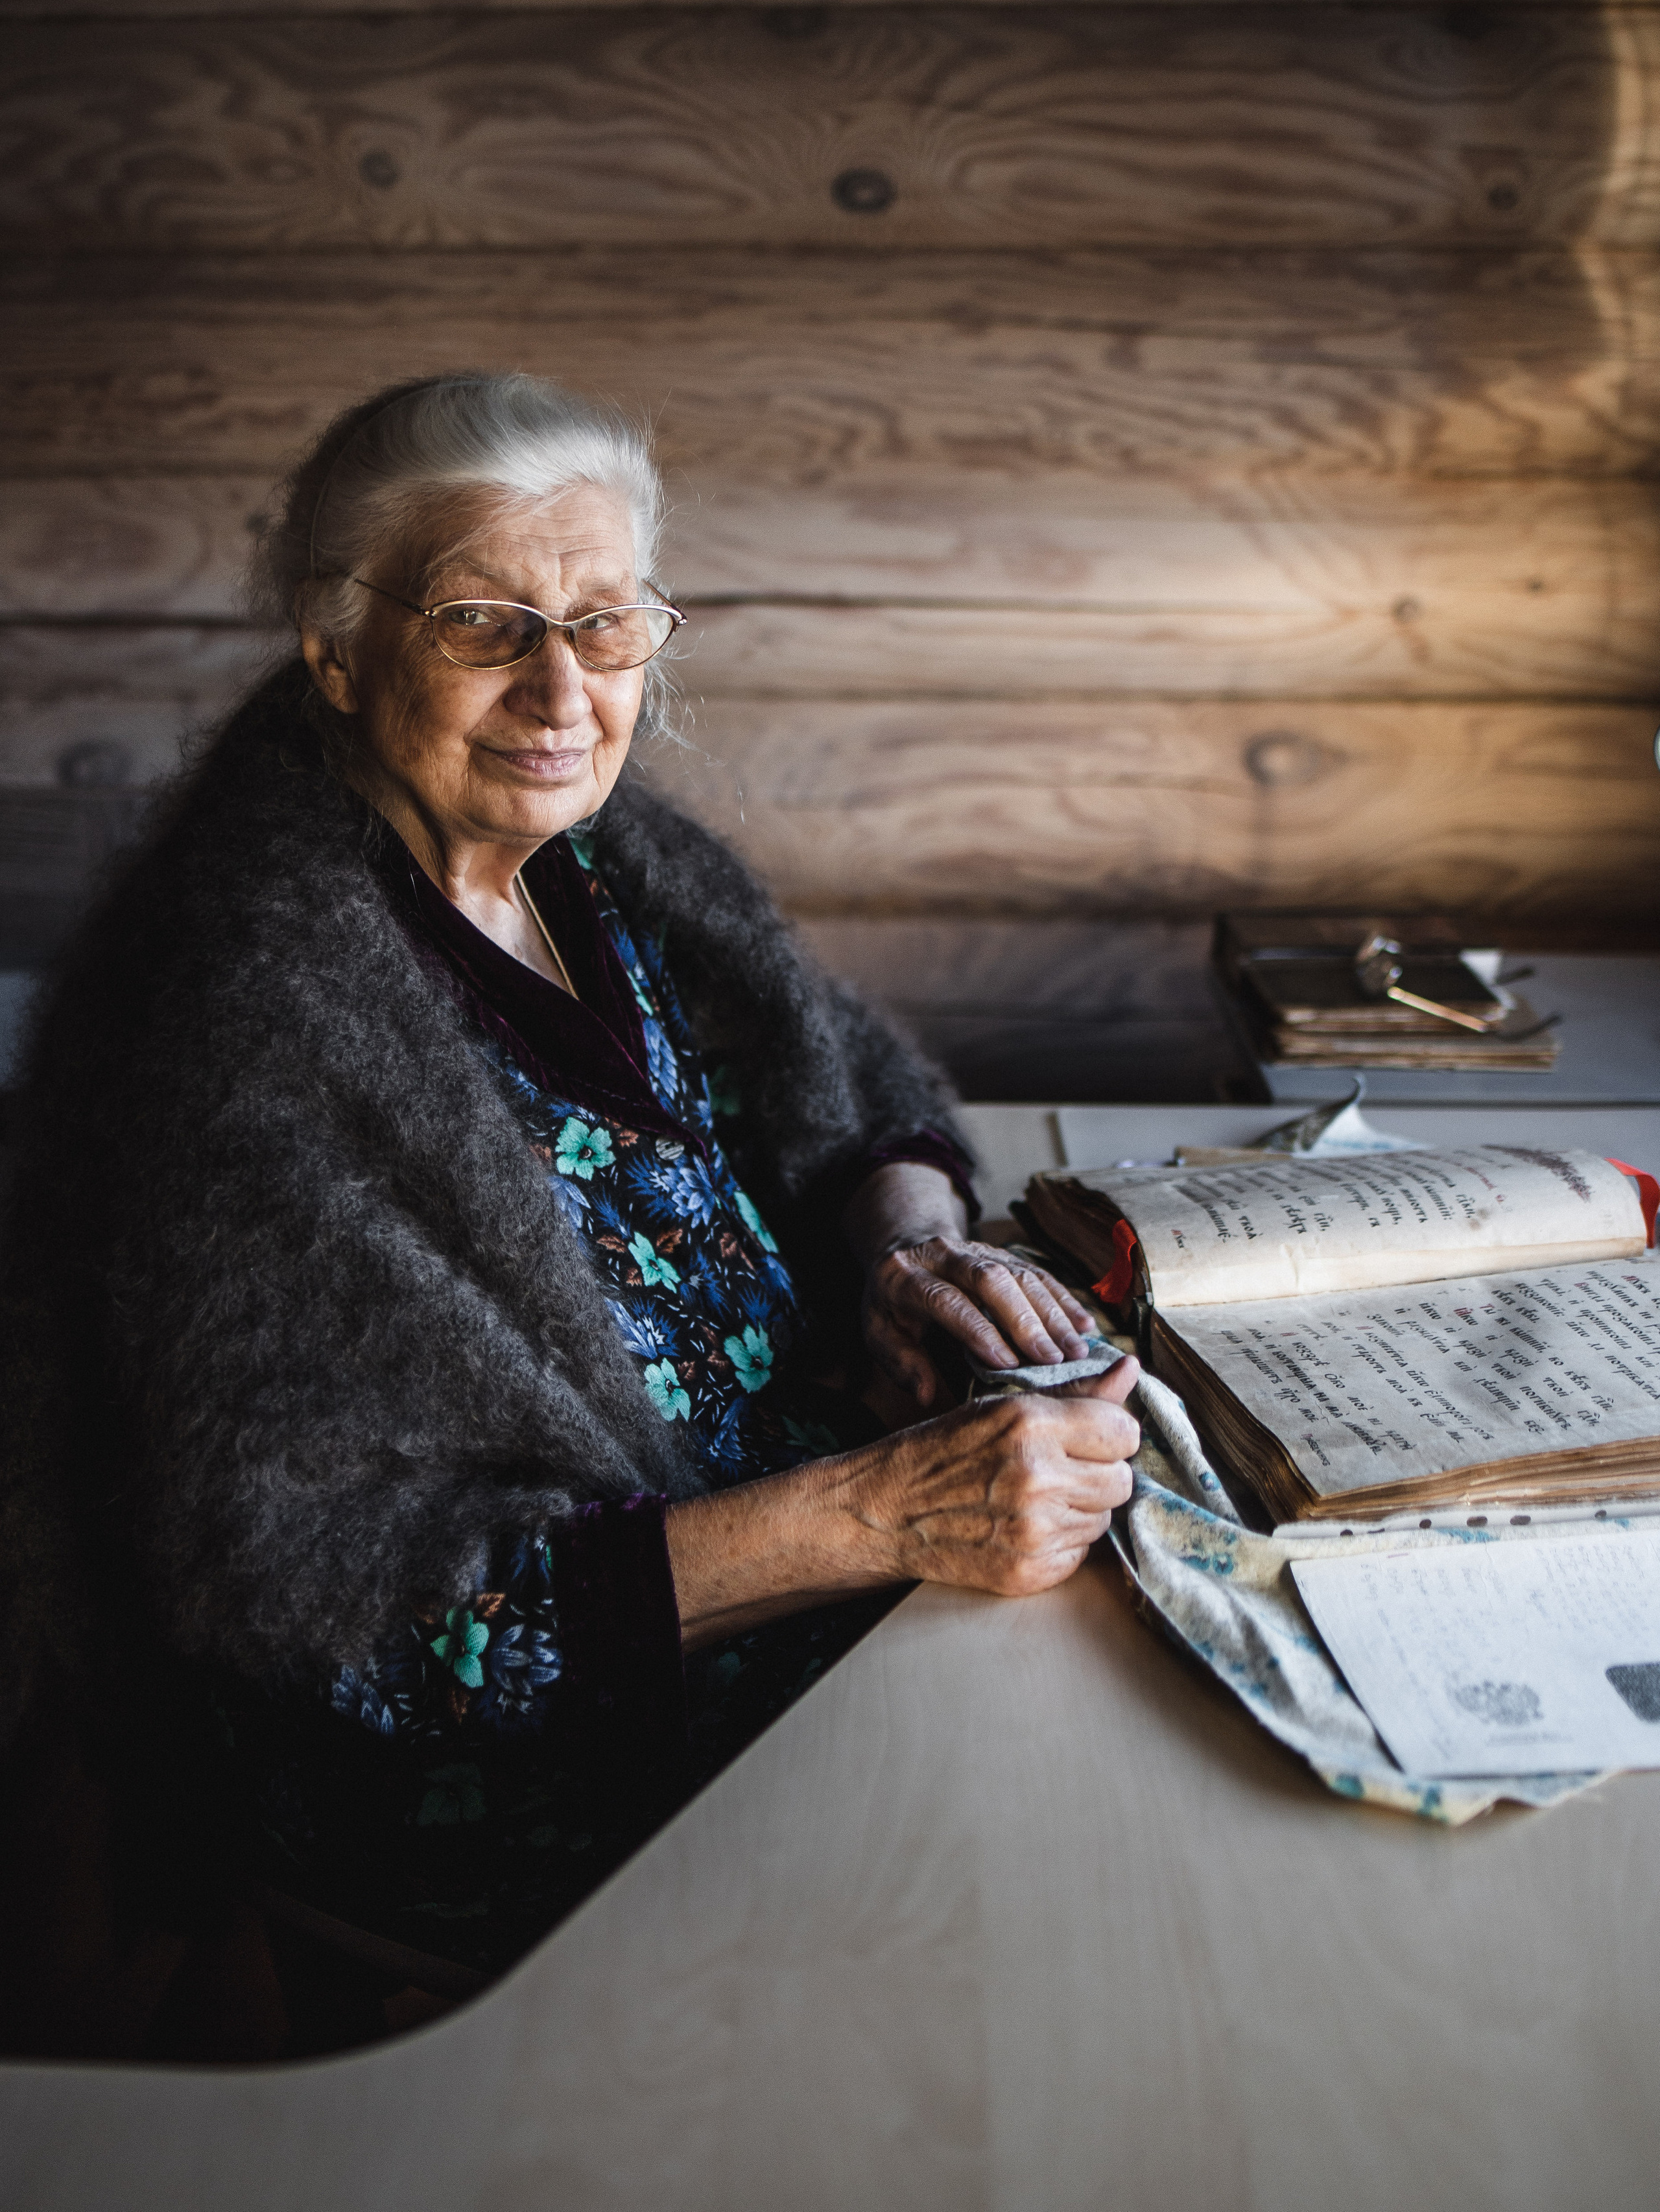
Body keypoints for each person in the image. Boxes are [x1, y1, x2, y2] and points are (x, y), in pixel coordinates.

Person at [0, 373, 1139, 1991]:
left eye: (604, 625)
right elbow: (346, 1630)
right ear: (335, 648)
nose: (560, 689)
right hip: (541, 1816)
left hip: (840, 1581)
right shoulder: (240, 1027)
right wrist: (883, 1514)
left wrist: (901, 1247)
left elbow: (838, 1069)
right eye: (484, 623)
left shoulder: (598, 861)